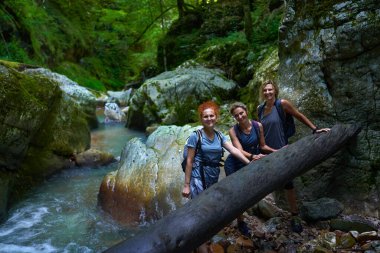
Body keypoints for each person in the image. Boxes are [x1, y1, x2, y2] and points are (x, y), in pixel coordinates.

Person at [257, 79, 330, 233]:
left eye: (270, 90)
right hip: (267, 151)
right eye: (265, 90)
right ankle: (265, 209)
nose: (268, 93)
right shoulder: (260, 109)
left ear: (275, 90)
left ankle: (294, 215)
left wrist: (315, 129)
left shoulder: (282, 104)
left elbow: (298, 115)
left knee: (288, 183)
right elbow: (260, 131)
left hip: (283, 149)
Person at [182, 101, 251, 253]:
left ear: (216, 117)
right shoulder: (196, 136)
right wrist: (186, 185)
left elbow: (234, 150)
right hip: (198, 177)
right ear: (201, 119)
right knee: (201, 212)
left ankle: (205, 241)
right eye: (205, 116)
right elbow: (189, 161)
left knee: (208, 210)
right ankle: (201, 246)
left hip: (212, 177)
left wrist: (249, 162)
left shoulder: (220, 136)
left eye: (211, 115)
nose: (209, 119)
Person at [224, 102, 277, 237]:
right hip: (235, 163)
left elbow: (263, 146)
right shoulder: (233, 131)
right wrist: (254, 156)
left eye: (241, 113)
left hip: (252, 161)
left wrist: (277, 151)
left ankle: (255, 211)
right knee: (237, 194)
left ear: (246, 111)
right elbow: (239, 151)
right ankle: (240, 221)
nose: (240, 117)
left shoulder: (257, 125)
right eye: (236, 115)